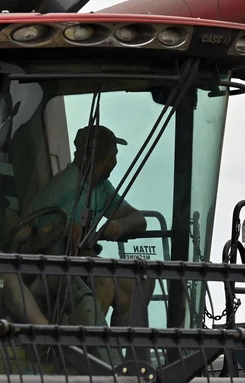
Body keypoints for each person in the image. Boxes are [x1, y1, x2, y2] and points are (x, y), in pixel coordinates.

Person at [13, 124, 149, 329]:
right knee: (106, 283)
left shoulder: (100, 186)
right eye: (113, 157)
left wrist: (119, 225)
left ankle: (119, 352)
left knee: (143, 282)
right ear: (104, 160)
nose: (114, 162)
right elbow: (66, 249)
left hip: (76, 263)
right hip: (45, 269)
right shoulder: (67, 189)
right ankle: (87, 350)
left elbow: (139, 220)